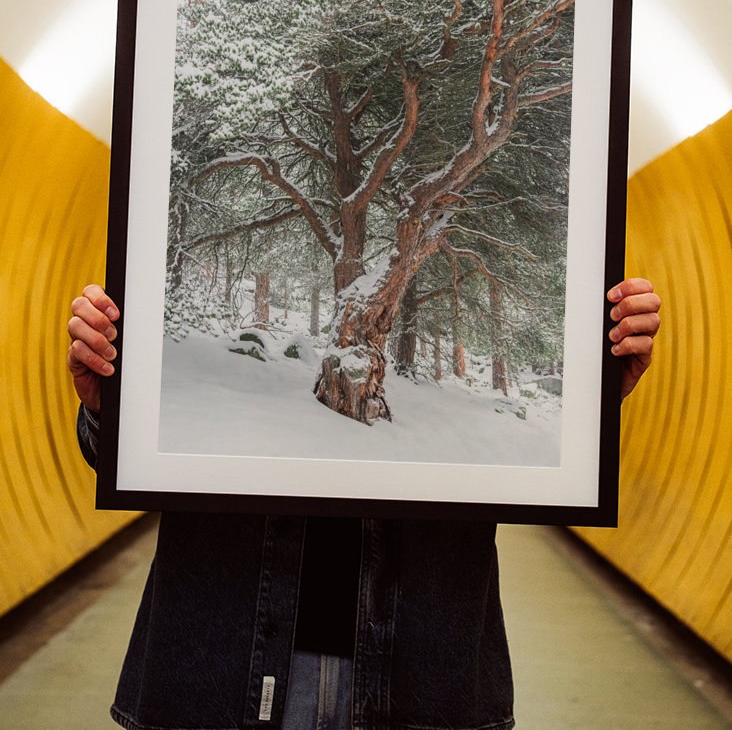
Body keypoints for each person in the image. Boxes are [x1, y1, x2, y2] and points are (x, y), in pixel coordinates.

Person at [68, 278, 661, 730]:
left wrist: (590, 405)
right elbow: (120, 457)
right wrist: (110, 409)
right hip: (219, 664)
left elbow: (542, 467)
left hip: (422, 674)